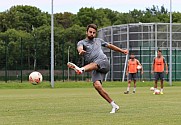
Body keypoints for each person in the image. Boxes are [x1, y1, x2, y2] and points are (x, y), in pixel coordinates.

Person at [67, 24, 128, 113]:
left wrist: (122, 51)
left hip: (103, 62)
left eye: (94, 33)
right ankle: (114, 105)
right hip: (95, 67)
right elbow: (79, 48)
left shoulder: (99, 41)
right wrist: (80, 51)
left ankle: (81, 69)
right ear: (86, 32)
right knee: (97, 86)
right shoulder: (82, 42)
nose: (92, 34)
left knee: (95, 64)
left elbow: (110, 46)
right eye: (90, 32)